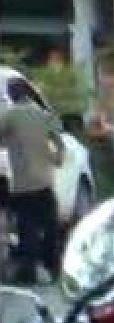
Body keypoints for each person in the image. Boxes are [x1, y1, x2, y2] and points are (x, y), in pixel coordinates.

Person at [1, 78, 64, 284]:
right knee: (50, 227)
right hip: (45, 181)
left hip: (24, 183)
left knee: (27, 228)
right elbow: (58, 141)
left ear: (12, 95)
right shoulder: (42, 114)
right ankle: (53, 268)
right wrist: (57, 159)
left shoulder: (10, 115)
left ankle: (28, 273)